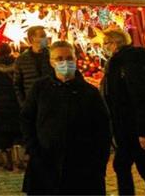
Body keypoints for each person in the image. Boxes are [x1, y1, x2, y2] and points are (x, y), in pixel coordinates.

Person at [20, 40, 111, 195]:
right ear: (51, 62)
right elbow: (27, 119)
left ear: (75, 60)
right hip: (46, 165)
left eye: (69, 58)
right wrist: (34, 151)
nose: (65, 62)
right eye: (60, 59)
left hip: (82, 167)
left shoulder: (89, 92)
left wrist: (99, 163)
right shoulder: (40, 89)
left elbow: (103, 129)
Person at [101, 29, 145, 195]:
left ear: (115, 43)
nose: (104, 46)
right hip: (126, 125)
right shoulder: (120, 62)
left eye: (106, 43)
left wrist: (143, 131)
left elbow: (140, 97)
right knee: (144, 168)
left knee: (124, 166)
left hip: (132, 126)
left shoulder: (127, 64)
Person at [13, 26, 52, 106]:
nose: (46, 38)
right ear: (32, 39)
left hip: (50, 102)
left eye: (45, 36)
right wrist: (23, 104)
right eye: (42, 36)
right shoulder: (22, 59)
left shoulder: (52, 56)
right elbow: (17, 84)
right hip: (31, 103)